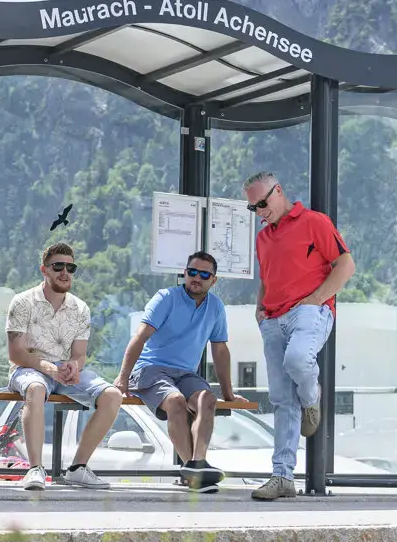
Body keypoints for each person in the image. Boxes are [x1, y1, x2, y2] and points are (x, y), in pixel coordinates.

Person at [242, 171, 355, 501]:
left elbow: (345, 265)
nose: (260, 211)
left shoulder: (314, 222)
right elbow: (267, 277)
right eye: (253, 208)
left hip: (309, 311)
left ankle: (312, 397)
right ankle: (282, 476)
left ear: (279, 191)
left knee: (298, 360)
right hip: (273, 319)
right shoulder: (263, 239)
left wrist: (317, 300)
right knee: (280, 399)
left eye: (263, 203)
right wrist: (259, 308)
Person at [4, 243, 124, 490]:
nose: (65, 272)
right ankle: (35, 469)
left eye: (71, 267)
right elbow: (16, 353)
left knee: (112, 395)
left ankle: (78, 468)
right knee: (35, 389)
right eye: (58, 266)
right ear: (44, 270)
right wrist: (48, 368)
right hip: (29, 369)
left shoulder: (80, 308)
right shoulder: (23, 302)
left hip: (63, 372)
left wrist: (74, 365)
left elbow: (80, 355)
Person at [116, 251, 239, 493]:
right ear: (184, 273)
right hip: (150, 369)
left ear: (213, 280)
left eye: (204, 274)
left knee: (207, 399)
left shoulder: (215, 307)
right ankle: (193, 471)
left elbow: (220, 350)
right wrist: (122, 379)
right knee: (175, 401)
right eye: (192, 272)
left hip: (185, 373)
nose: (196, 277)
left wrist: (229, 394)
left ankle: (197, 464)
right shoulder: (166, 298)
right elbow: (140, 337)